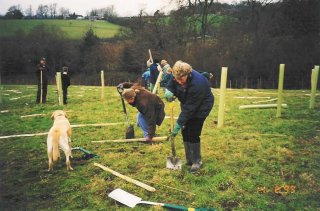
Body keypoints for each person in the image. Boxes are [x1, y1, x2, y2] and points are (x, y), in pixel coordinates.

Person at [165, 60, 214, 173]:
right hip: (188, 102)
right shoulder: (177, 76)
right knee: (185, 131)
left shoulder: (198, 83)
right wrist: (169, 91)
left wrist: (178, 124)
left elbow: (189, 109)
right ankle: (189, 159)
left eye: (181, 79)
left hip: (202, 106)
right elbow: (172, 83)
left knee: (193, 132)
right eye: (177, 79)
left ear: (187, 74)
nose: (179, 82)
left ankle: (197, 161)